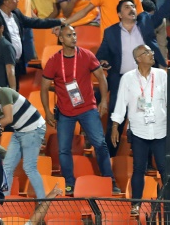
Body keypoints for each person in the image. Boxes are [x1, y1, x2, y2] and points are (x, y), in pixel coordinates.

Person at [41, 25, 118, 195]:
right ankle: (69, 183)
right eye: (69, 35)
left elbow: (101, 78)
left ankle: (109, 180)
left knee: (100, 143)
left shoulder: (87, 55)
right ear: (61, 39)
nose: (73, 38)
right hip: (65, 111)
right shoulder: (54, 60)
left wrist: (104, 100)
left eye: (74, 34)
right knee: (63, 149)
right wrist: (47, 110)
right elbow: (44, 87)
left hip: (87, 108)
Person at [97, 0, 170, 154]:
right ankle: (109, 160)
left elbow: (163, 11)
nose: (132, 9)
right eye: (127, 7)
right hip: (120, 82)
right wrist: (103, 61)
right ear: (119, 14)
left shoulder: (145, 23)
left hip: (145, 81)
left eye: (133, 6)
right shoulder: (110, 32)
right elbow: (101, 54)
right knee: (115, 122)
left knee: (147, 121)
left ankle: (147, 162)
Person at [111, 44, 167, 214]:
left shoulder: (162, 75)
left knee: (165, 169)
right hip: (139, 131)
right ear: (138, 58)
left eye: (151, 51)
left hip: (161, 129)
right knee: (138, 169)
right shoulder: (127, 78)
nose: (152, 54)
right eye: (147, 52)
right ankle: (136, 204)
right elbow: (121, 104)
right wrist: (115, 126)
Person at [0, 76, 47, 199]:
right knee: (7, 166)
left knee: (29, 167)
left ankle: (43, 202)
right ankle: (4, 203)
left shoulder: (3, 92)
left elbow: (8, 119)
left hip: (34, 129)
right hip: (19, 131)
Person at [0, 0, 63, 79]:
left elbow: (35, 22)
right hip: (1, 66)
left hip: (17, 64)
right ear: (6, 2)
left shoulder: (16, 13)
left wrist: (57, 22)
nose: (17, 0)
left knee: (15, 91)